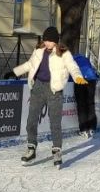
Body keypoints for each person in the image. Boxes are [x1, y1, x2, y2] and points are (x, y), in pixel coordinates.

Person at [12, 25, 86, 169]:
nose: (47, 43)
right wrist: (15, 72)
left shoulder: (63, 53)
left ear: (55, 41)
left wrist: (78, 77)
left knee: (55, 123)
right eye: (45, 40)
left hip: (54, 91)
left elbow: (72, 66)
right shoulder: (39, 50)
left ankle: (57, 151)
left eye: (50, 41)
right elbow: (30, 64)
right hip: (38, 88)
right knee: (31, 120)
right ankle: (31, 149)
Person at [70, 50, 99, 139]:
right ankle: (92, 128)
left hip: (80, 80)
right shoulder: (85, 58)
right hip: (92, 79)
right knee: (90, 104)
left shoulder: (71, 60)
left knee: (81, 105)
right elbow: (91, 69)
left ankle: (84, 129)